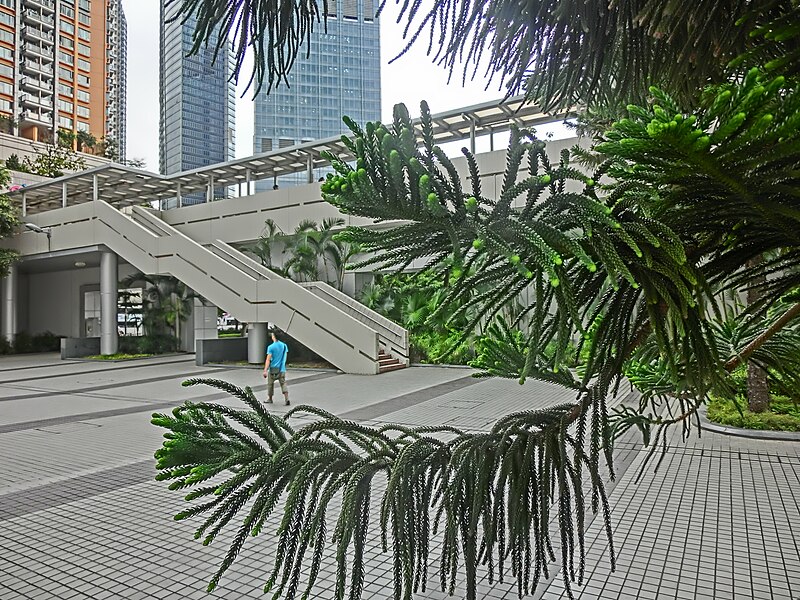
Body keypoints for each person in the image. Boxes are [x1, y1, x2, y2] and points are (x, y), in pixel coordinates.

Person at [263, 329, 289, 405]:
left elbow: (268, 360)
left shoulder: (271, 347)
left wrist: (265, 370)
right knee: (283, 383)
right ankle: (286, 398)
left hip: (273, 369)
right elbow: (285, 357)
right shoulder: (284, 346)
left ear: (274, 336)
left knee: (270, 384)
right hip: (282, 369)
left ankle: (270, 398)